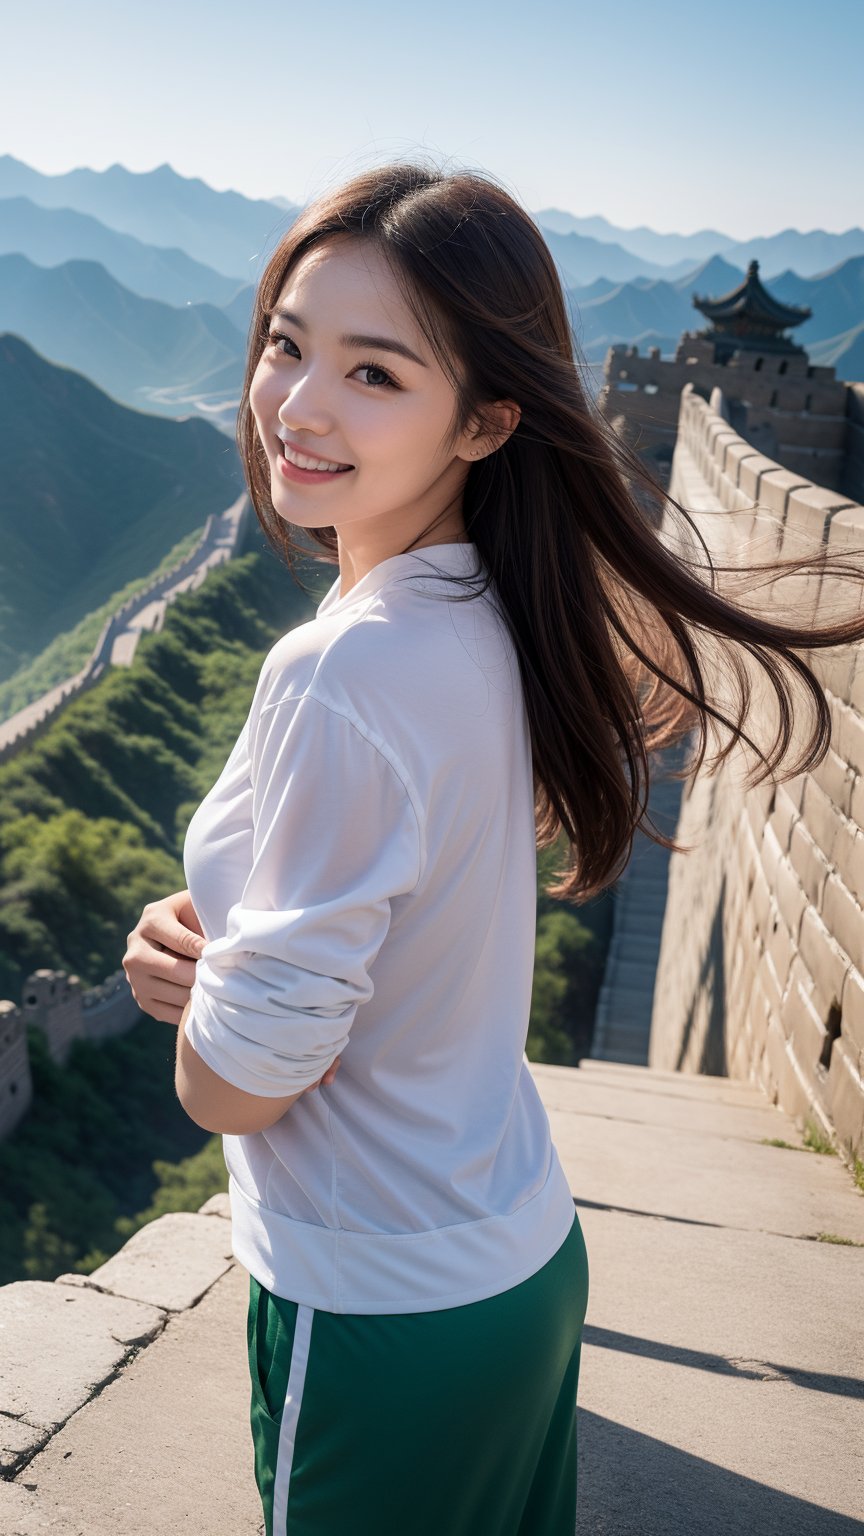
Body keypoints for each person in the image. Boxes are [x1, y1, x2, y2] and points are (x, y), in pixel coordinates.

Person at [123, 160, 864, 1535]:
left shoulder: (342, 673)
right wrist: (232, 939)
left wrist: (198, 1003)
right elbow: (399, 894)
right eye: (288, 345)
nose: (300, 403)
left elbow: (235, 1093)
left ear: (486, 423)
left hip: (375, 1310)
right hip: (514, 1261)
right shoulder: (494, 620)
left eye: (377, 375)